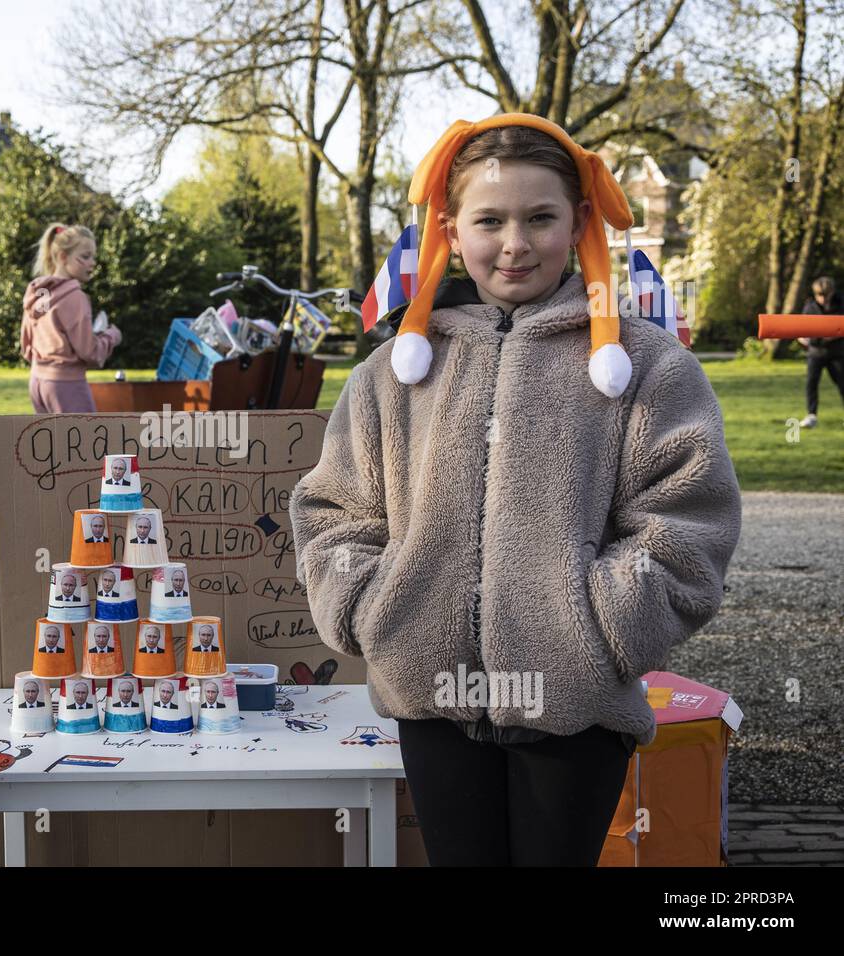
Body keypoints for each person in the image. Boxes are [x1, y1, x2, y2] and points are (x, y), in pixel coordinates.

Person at [289, 114, 742, 867]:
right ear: (449, 227)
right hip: (432, 697)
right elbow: (334, 509)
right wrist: (375, 609)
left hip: (578, 709)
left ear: (579, 223)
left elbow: (687, 522)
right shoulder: (393, 373)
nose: (515, 243)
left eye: (540, 218)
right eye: (490, 220)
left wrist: (603, 628)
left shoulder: (646, 368)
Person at [20, 223, 121, 413]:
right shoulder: (75, 297)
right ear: (62, 257)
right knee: (86, 442)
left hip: (37, 382)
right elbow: (89, 353)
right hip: (66, 385)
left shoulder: (38, 292)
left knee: (49, 442)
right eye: (85, 256)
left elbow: (26, 347)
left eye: (93, 256)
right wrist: (111, 336)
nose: (92, 263)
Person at [796, 275, 844, 428]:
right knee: (811, 383)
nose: (822, 298)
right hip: (816, 352)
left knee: (842, 383)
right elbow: (802, 328)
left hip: (837, 352)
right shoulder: (810, 307)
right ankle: (811, 415)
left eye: (826, 295)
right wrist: (802, 338)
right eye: (819, 295)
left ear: (832, 292)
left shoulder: (841, 304)